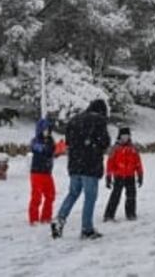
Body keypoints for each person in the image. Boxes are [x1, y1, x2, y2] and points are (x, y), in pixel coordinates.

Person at [51, 99, 111, 240]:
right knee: (90, 197)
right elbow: (105, 142)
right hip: (90, 164)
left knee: (73, 193)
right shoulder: (99, 120)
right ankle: (87, 228)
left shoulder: (74, 120)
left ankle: (59, 220)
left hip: (75, 164)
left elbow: (68, 142)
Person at [28, 118, 66, 225]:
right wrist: (52, 150)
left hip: (47, 173)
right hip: (36, 173)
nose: (47, 132)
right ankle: (34, 219)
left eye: (49, 129)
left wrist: (59, 149)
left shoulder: (50, 140)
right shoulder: (35, 141)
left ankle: (46, 217)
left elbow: (52, 153)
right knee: (36, 197)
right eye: (45, 129)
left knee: (50, 195)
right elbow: (41, 150)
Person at [104, 127, 144, 222]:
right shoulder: (115, 149)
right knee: (115, 196)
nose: (125, 137)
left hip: (130, 176)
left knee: (131, 196)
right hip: (119, 176)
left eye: (127, 135)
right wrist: (108, 176)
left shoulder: (133, 148)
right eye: (123, 136)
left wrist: (140, 175)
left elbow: (138, 163)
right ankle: (109, 215)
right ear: (120, 136)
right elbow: (110, 164)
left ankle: (131, 213)